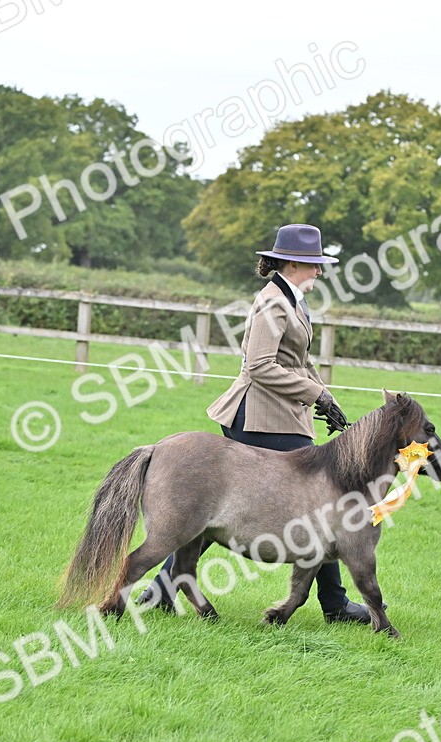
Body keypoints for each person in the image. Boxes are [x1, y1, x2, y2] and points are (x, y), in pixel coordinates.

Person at [138, 223, 374, 624]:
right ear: (295, 263)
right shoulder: (273, 303)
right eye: (315, 265)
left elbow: (298, 360)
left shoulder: (292, 300)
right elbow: (260, 366)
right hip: (261, 417)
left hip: (283, 414)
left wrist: (324, 393)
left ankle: (160, 591)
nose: (320, 271)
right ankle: (334, 603)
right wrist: (314, 394)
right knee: (323, 502)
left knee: (211, 508)